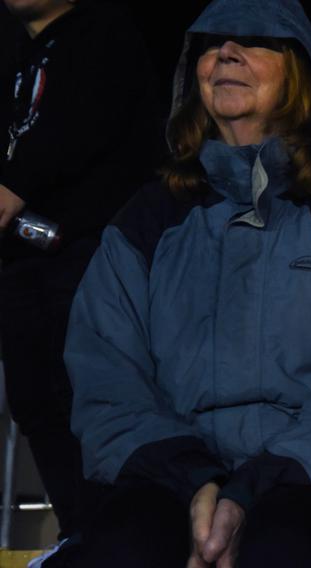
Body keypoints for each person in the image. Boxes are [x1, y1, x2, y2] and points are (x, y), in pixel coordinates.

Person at [63, 0, 311, 566]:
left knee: (284, 549)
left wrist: (252, 490)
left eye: (254, 39)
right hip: (171, 475)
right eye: (210, 43)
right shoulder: (147, 220)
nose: (225, 52)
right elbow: (105, 373)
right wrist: (196, 478)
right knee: (125, 547)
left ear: (298, 71)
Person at [0, 0, 160, 561]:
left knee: (95, 407)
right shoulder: (19, 49)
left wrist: (12, 189)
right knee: (35, 403)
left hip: (90, 259)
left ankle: (115, 542)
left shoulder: (105, 31)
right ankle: (80, 537)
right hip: (23, 262)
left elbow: (77, 124)